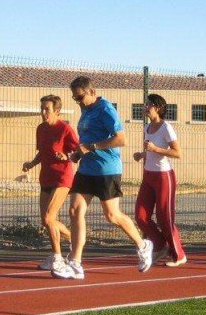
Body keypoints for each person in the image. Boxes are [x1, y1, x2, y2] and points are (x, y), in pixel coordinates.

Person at [52, 76, 153, 279]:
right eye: (75, 99)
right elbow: (86, 139)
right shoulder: (85, 109)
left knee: (112, 215)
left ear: (91, 92)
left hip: (107, 169)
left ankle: (143, 245)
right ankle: (76, 262)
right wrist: (76, 154)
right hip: (86, 168)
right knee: (75, 210)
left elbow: (121, 139)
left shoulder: (106, 109)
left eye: (80, 97)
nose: (78, 101)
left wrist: (91, 147)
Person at [22, 95, 79, 272]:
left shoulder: (65, 129)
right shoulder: (40, 129)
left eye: (47, 109)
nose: (43, 112)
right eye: (42, 108)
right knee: (46, 222)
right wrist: (31, 163)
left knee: (49, 217)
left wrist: (66, 156)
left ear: (57, 111)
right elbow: (43, 152)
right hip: (45, 177)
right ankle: (71, 237)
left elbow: (78, 151)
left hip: (62, 178)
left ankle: (57, 258)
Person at [133, 94, 187, 267]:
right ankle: (160, 245)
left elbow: (178, 153)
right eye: (145, 104)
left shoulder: (166, 128)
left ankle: (178, 255)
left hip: (164, 177)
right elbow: (151, 150)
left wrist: (156, 148)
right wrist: (142, 154)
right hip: (148, 176)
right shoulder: (147, 127)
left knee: (165, 218)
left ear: (157, 107)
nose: (145, 107)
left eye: (148, 104)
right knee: (141, 216)